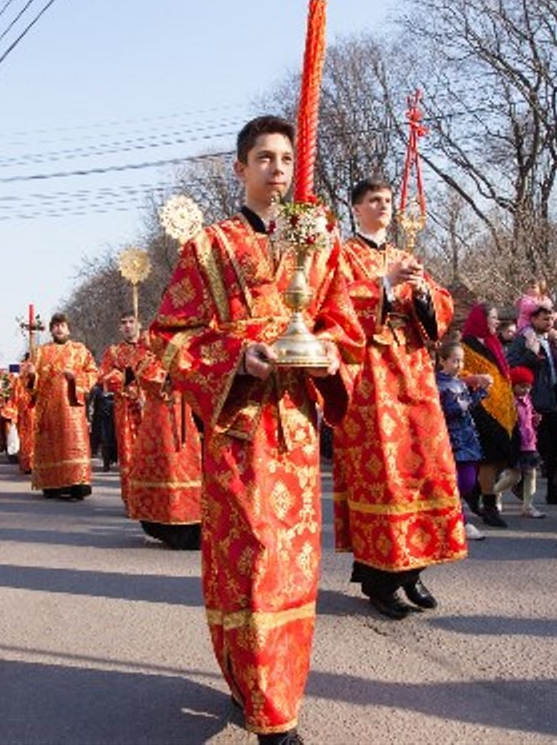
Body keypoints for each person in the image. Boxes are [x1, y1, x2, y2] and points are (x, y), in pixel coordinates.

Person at [148, 115, 362, 743]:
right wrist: (239, 355)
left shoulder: (320, 245)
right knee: (249, 565)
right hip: (237, 431)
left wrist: (324, 351)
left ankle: (276, 698)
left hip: (294, 430)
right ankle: (262, 699)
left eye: (286, 158)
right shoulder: (208, 247)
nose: (276, 168)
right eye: (263, 157)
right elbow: (168, 343)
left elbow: (345, 328)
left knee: (293, 569)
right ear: (239, 169)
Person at [331, 178, 466, 620]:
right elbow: (336, 309)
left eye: (388, 201)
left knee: (422, 468)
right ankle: (379, 579)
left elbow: (437, 316)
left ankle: (414, 571)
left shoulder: (406, 256)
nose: (383, 207)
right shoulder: (343, 255)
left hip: (413, 375)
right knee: (384, 477)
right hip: (372, 379)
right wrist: (384, 286)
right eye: (374, 200)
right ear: (356, 208)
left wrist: (424, 293)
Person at [123, 348, 203, 550]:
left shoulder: (195, 348)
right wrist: (175, 370)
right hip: (163, 422)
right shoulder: (149, 354)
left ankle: (195, 524)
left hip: (192, 416)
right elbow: (146, 375)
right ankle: (165, 525)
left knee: (194, 469)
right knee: (169, 469)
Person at [507, 289, 557, 506]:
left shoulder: (551, 341)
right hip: (535, 403)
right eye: (545, 319)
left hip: (555, 400)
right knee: (534, 449)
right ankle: (519, 483)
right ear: (533, 318)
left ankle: (556, 494)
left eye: (551, 318)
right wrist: (532, 353)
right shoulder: (522, 341)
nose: (549, 322)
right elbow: (514, 367)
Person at [26, 313, 97, 500]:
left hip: (72, 407)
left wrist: (76, 377)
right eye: (55, 326)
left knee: (75, 444)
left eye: (62, 325)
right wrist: (32, 376)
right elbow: (30, 384)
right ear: (51, 330)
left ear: (69, 329)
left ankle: (77, 484)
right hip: (48, 407)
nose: (59, 329)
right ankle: (52, 484)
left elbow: (92, 373)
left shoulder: (79, 350)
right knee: (51, 446)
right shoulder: (40, 352)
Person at [459, 304, 518, 528]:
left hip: (503, 409)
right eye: (493, 317)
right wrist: (475, 378)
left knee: (503, 456)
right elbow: (458, 372)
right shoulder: (465, 346)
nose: (496, 321)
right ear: (481, 320)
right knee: (489, 460)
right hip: (480, 408)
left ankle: (474, 492)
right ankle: (490, 506)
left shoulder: (494, 343)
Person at [435, 340, 488, 542]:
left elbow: (466, 406)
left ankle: (452, 517)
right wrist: (476, 394)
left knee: (469, 480)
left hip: (468, 437)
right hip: (452, 439)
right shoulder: (439, 384)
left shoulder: (459, 382)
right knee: (460, 481)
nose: (459, 365)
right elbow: (453, 410)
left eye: (461, 361)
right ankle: (460, 521)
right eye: (455, 361)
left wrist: (480, 392)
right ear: (443, 361)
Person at [100, 312, 150, 489]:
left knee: (152, 450)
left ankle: (154, 497)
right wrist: (124, 379)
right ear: (120, 328)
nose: (128, 326)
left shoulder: (150, 348)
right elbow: (105, 376)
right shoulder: (114, 352)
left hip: (151, 406)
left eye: (131, 322)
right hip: (126, 408)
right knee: (129, 450)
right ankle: (132, 495)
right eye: (124, 323)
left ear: (139, 324)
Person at [492, 367, 546, 518]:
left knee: (531, 474)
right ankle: (493, 495)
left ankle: (528, 506)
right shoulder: (509, 401)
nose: (526, 390)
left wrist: (535, 420)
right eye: (522, 386)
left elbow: (529, 421)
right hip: (516, 444)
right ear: (513, 385)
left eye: (528, 387)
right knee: (514, 476)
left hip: (529, 443)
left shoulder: (528, 400)